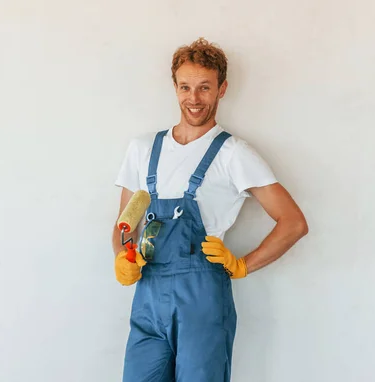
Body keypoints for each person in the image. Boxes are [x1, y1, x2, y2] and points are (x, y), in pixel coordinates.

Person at [111, 38, 308, 382]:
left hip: (201, 300)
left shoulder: (233, 153)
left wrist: (242, 265)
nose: (194, 98)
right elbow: (123, 224)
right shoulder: (143, 149)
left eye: (205, 87)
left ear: (222, 89)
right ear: (175, 88)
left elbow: (293, 223)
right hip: (149, 297)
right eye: (186, 87)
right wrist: (121, 258)